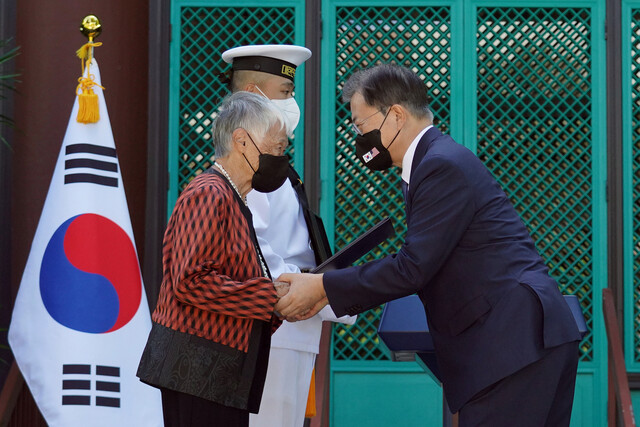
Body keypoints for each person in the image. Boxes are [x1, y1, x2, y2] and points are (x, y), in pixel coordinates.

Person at [275, 64, 582, 427]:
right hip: (523, 345)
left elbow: (413, 267)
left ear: (396, 117)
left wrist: (323, 287)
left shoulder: (440, 166)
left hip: (513, 347)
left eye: (360, 126)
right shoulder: (434, 161)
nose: (359, 138)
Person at [137, 91, 291, 427]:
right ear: (242, 141)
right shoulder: (209, 193)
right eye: (278, 147)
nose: (283, 156)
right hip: (197, 371)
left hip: (217, 373)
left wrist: (278, 303)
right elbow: (189, 282)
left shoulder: (233, 197)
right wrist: (270, 296)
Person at [221, 44, 356, 427]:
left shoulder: (273, 167)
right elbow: (255, 251)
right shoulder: (251, 169)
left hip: (291, 329)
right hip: (272, 326)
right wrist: (316, 293)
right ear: (251, 94)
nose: (292, 103)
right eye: (285, 93)